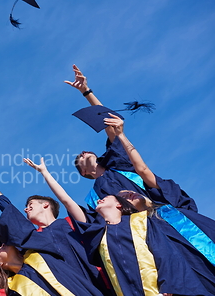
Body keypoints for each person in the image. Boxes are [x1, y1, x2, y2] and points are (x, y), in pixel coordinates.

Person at [24, 156, 214, 296]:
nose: (101, 198)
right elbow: (67, 201)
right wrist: (45, 173)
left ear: (119, 205)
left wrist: (168, 282)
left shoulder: (140, 222)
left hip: (167, 294)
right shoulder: (98, 234)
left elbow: (164, 252)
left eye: (110, 197)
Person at [65, 65, 198, 212]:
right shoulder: (95, 196)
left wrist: (86, 91)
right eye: (80, 158)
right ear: (84, 173)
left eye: (85, 152)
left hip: (161, 211)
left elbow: (108, 122)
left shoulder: (116, 161)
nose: (83, 152)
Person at [103, 114, 215, 267]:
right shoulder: (147, 235)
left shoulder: (169, 205)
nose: (128, 192)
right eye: (124, 198)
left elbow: (142, 169)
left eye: (128, 191)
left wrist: (121, 135)